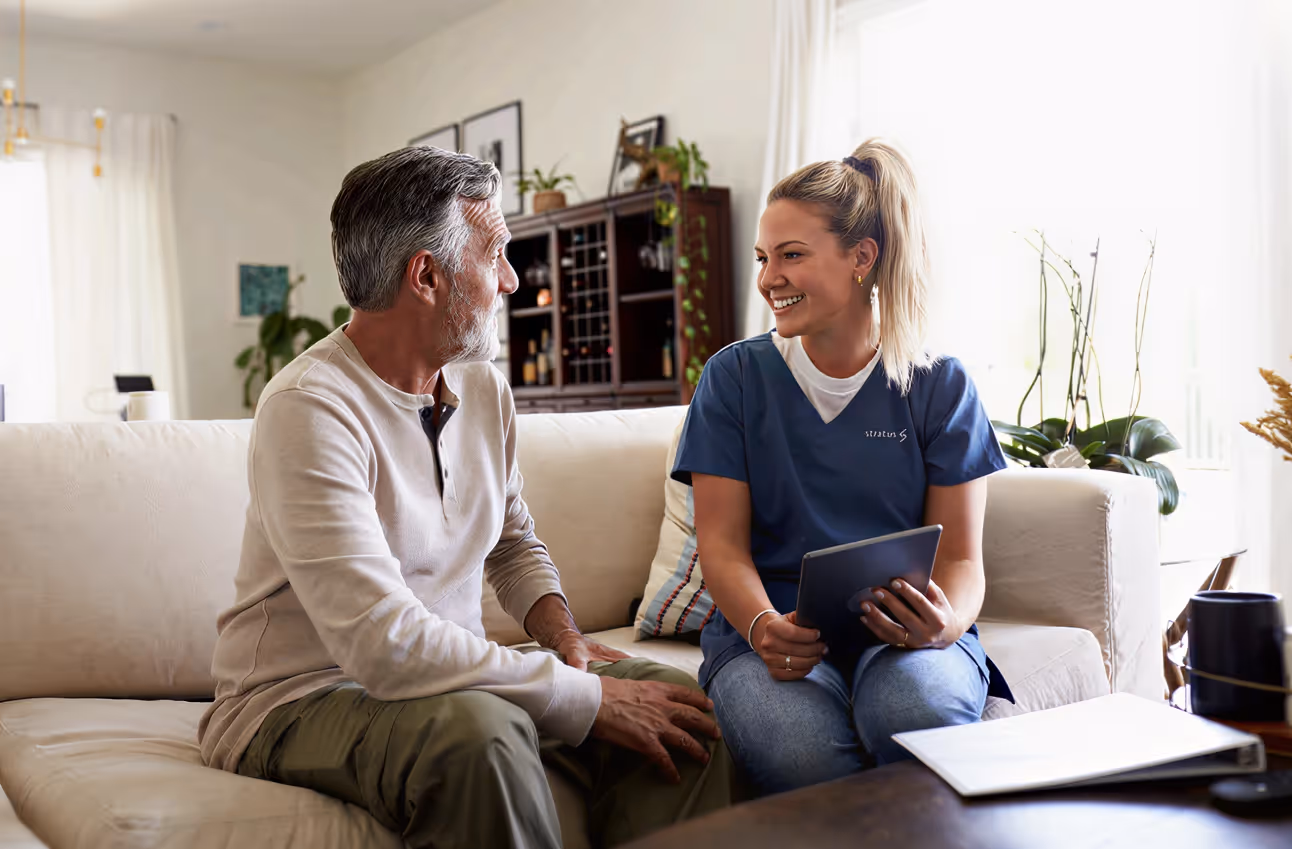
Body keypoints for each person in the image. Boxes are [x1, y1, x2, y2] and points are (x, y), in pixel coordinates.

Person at [198, 146, 731, 848]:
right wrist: (576, 695)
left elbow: (512, 543)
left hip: (447, 680)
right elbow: (380, 645)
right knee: (483, 732)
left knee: (684, 710)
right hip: (301, 696)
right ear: (427, 276)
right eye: (497, 254)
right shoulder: (309, 407)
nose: (511, 280)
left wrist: (565, 642)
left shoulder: (482, 386)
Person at [672, 140, 1014, 798]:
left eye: (791, 254)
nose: (769, 277)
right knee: (799, 755)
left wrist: (943, 623)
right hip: (767, 637)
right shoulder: (734, 379)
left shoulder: (938, 382)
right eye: (763, 258)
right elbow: (720, 544)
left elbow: (963, 561)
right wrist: (761, 626)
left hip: (907, 640)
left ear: (862, 257)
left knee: (917, 716)